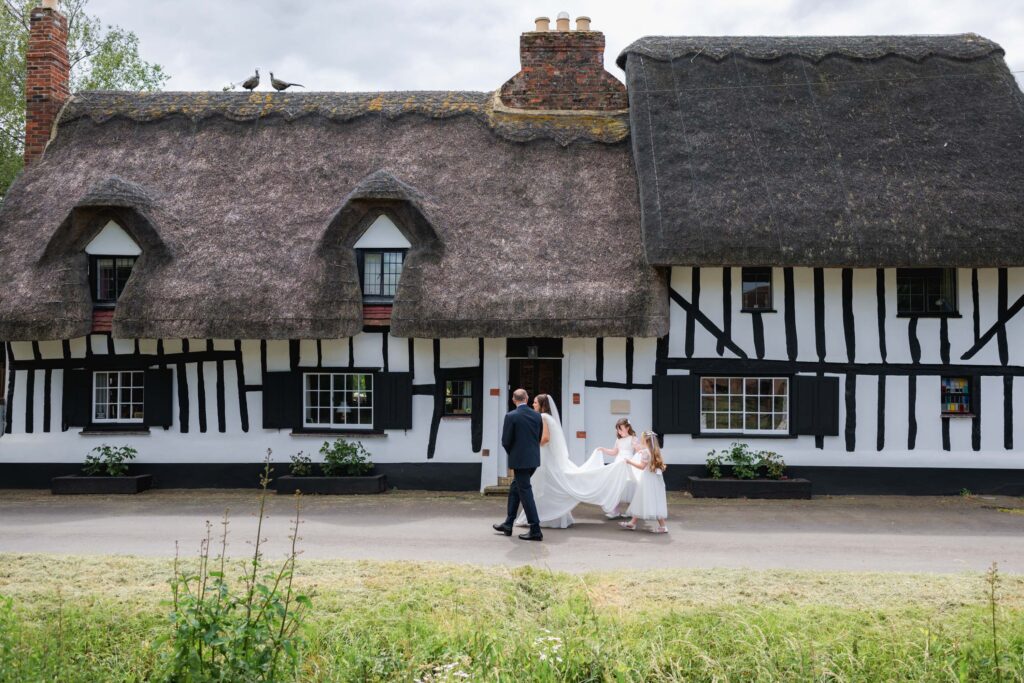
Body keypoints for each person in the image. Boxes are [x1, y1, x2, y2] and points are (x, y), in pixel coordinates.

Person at [515, 394, 631, 528]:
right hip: (549, 458)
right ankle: (556, 519)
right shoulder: (550, 418)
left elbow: (546, 438)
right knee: (549, 488)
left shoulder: (543, 417)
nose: (533, 405)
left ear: (542, 405)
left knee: (544, 488)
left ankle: (539, 518)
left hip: (546, 459)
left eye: (535, 403)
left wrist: (532, 444)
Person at [493, 388, 544, 541]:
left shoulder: (511, 416)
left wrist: (514, 454)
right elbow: (538, 436)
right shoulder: (537, 416)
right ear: (527, 399)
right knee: (515, 488)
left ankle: (535, 529)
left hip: (520, 461)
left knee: (525, 493)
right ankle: (508, 524)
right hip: (533, 460)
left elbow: (505, 441)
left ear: (514, 400)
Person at [579, 418, 641, 518]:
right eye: (617, 429)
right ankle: (615, 510)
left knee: (629, 485)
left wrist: (637, 449)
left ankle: (633, 510)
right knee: (616, 485)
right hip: (618, 463)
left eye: (621, 429)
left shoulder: (633, 438)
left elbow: (639, 451)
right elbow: (614, 452)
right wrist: (603, 449)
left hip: (628, 463)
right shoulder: (618, 440)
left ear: (627, 428)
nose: (619, 432)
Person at [619, 431, 669, 533]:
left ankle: (662, 526)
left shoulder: (646, 452)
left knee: (643, 498)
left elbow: (642, 466)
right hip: (656, 479)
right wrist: (642, 452)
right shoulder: (655, 451)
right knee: (651, 499)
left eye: (642, 439)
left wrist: (629, 461)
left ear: (646, 440)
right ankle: (633, 523)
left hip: (647, 479)